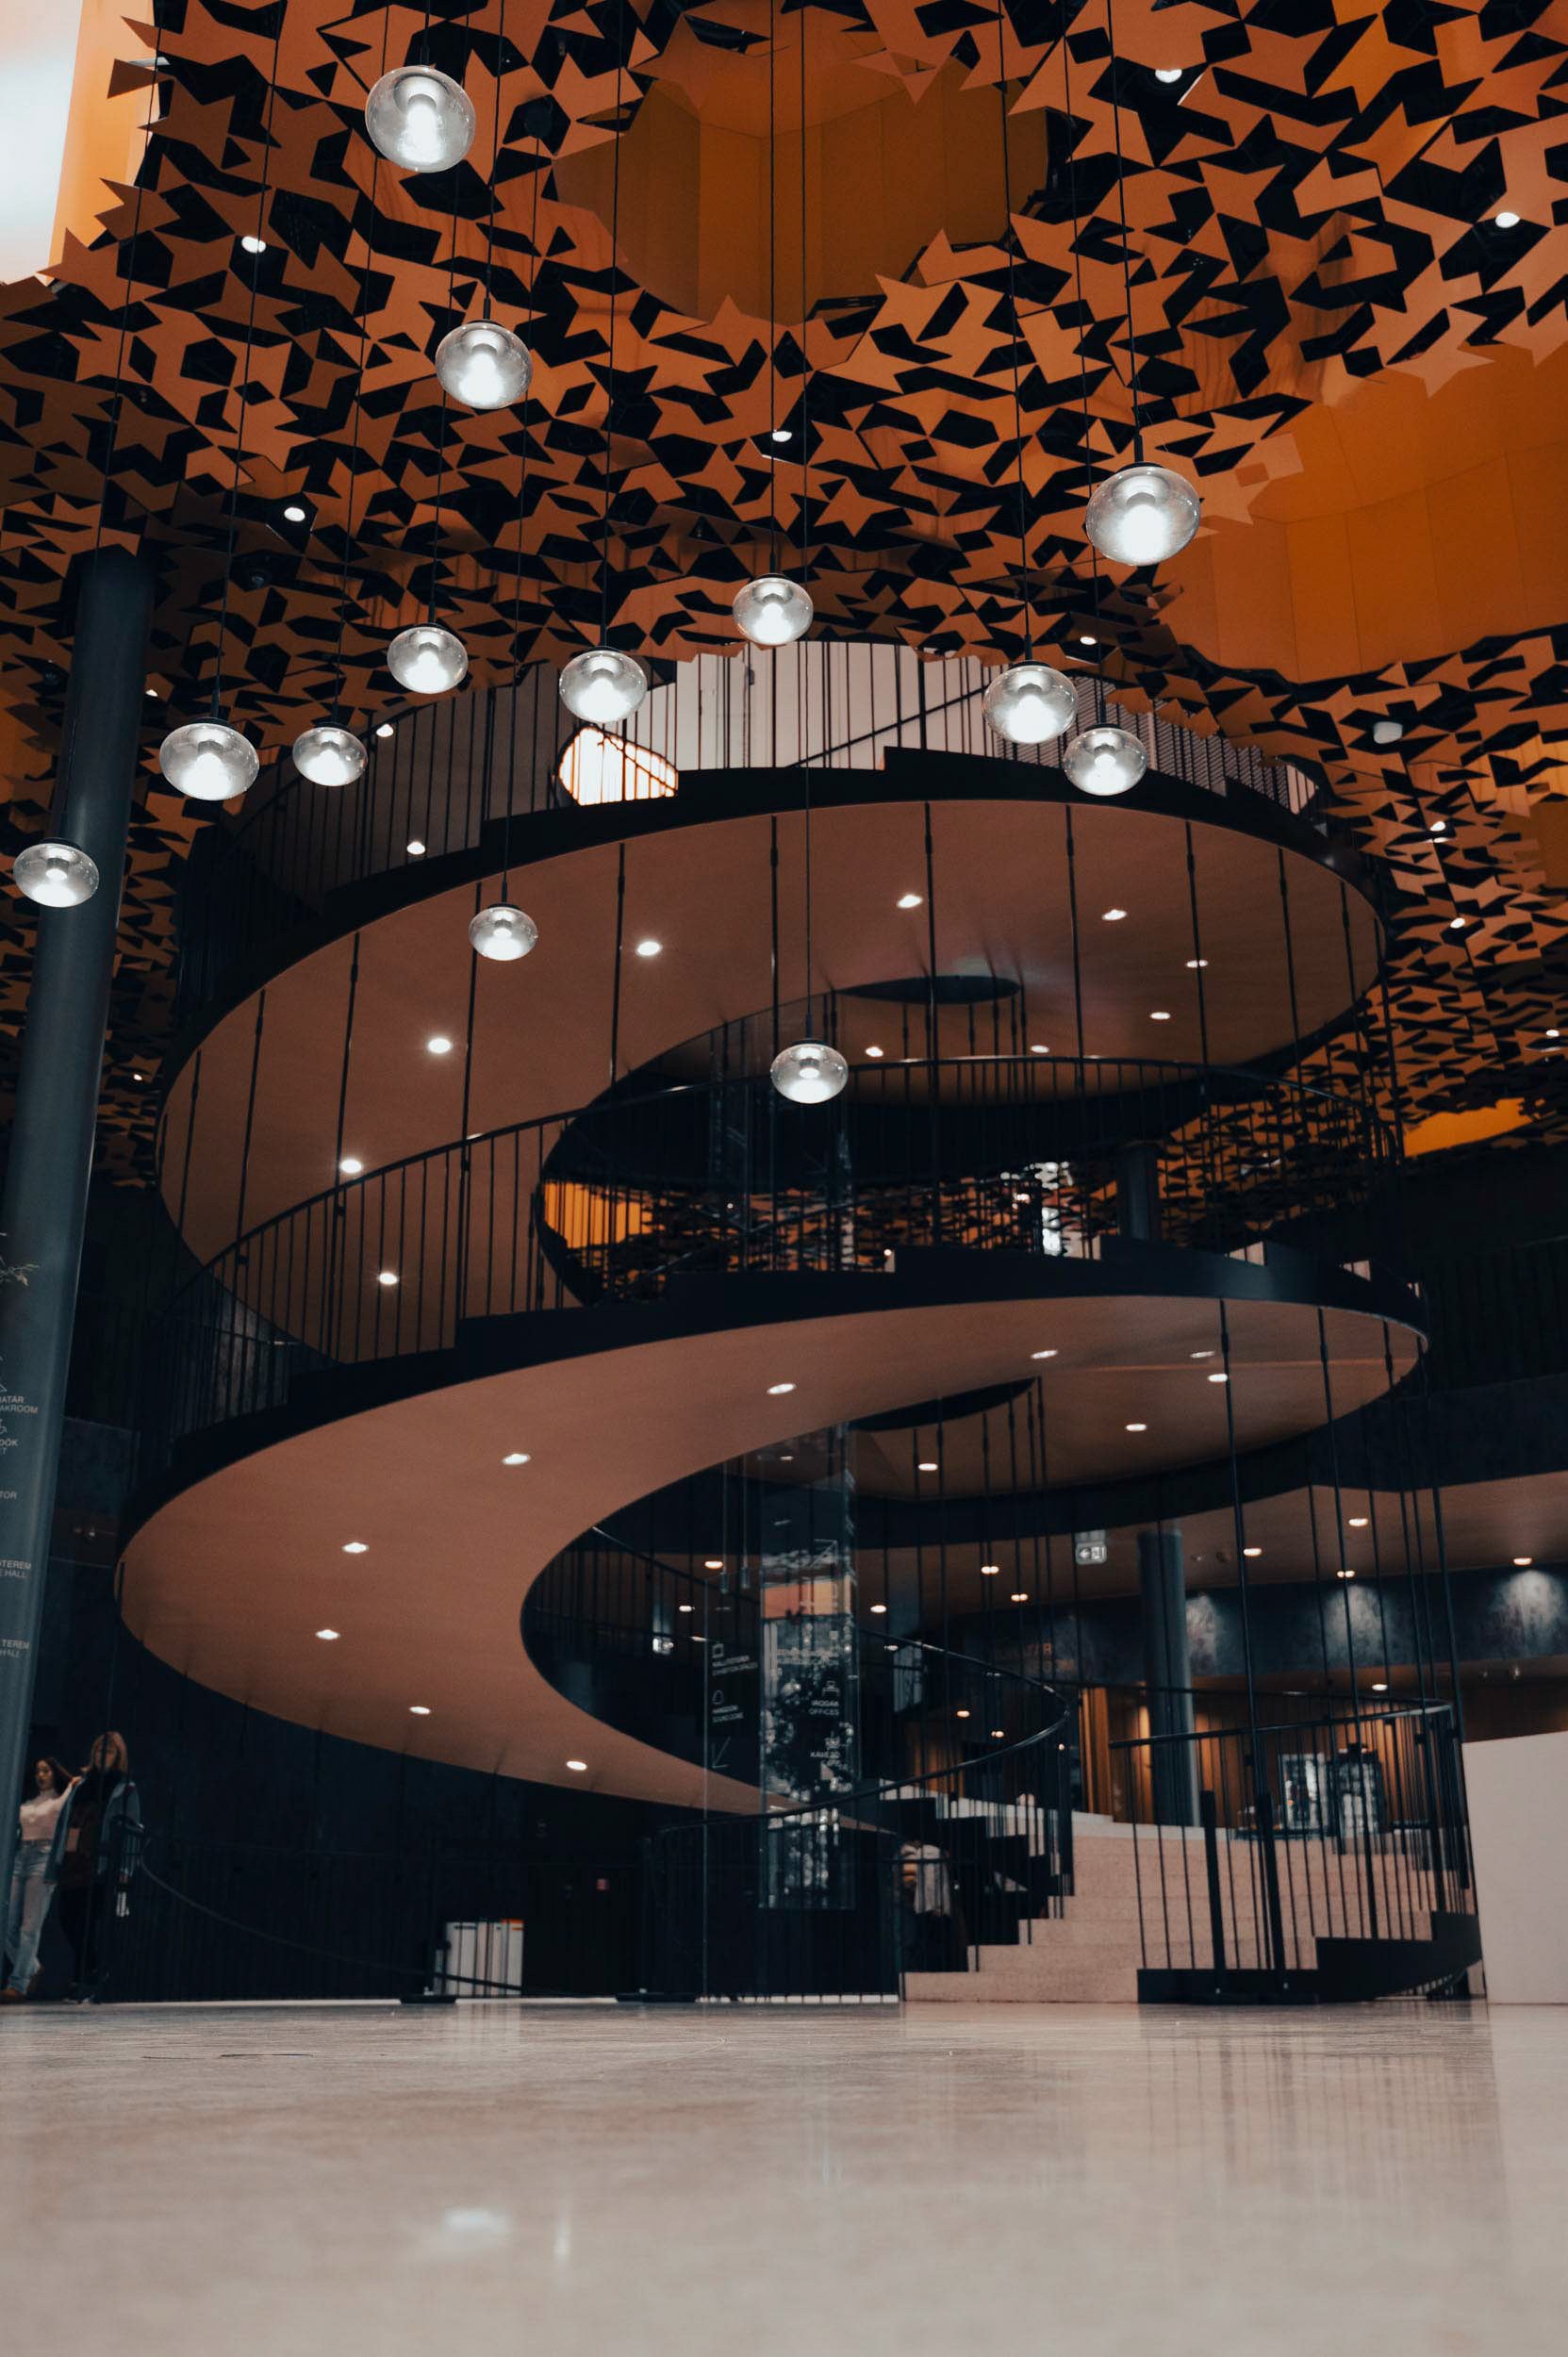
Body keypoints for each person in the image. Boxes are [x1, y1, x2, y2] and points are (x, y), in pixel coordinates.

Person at [48, 1731, 142, 2000]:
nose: (103, 1755)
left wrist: (125, 1869)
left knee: (87, 1923)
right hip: (73, 1859)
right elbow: (64, 1823)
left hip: (99, 1863)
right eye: (100, 1750)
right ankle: (92, 1970)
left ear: (118, 1756)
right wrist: (55, 1863)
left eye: (109, 1751)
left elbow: (132, 1829)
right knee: (68, 1918)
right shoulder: (82, 1784)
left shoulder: (125, 1788)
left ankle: (80, 1980)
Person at [2, 1756, 75, 2001]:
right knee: (6, 1925)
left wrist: (73, 1783)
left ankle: (19, 1984)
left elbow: (75, 1788)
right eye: (38, 1771)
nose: (41, 1775)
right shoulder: (28, 1803)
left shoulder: (59, 1799)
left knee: (29, 1927)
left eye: (46, 1770)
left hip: (42, 1859)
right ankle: (32, 1966)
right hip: (19, 1858)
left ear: (54, 1773)